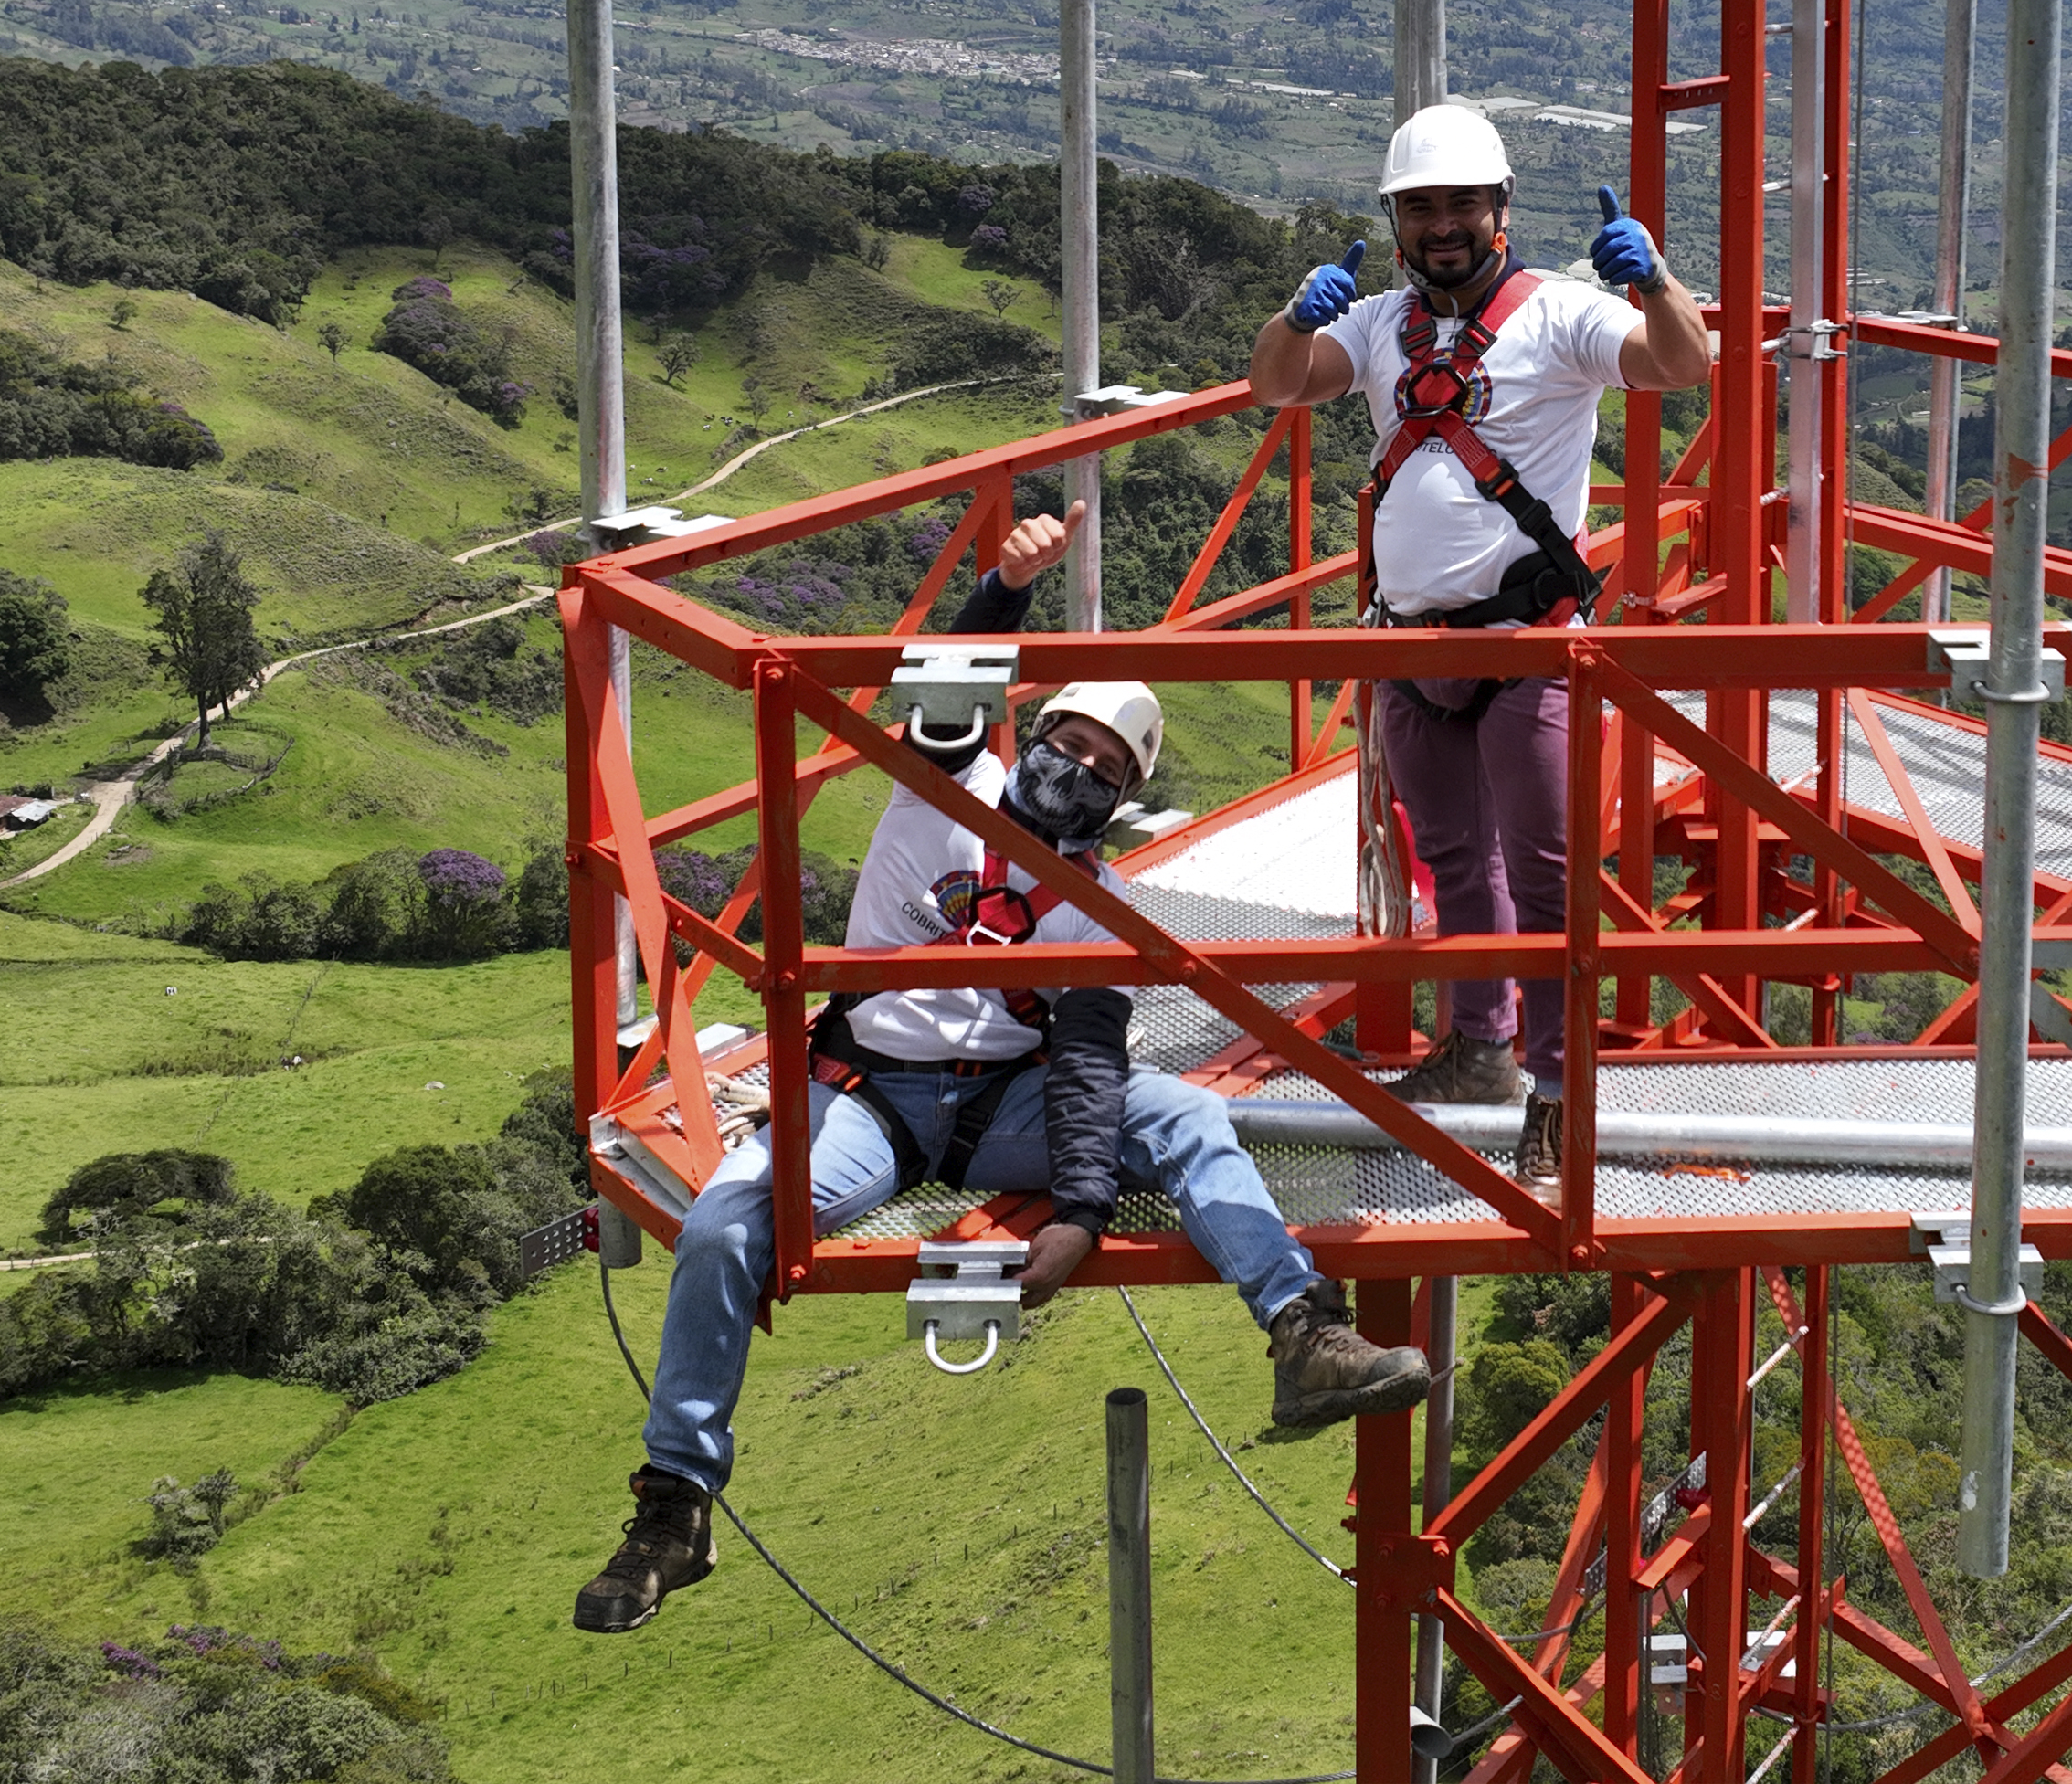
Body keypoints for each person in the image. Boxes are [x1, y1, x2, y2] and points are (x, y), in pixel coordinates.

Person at [574, 503, 1434, 1636]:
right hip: (868, 1096)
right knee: (733, 1219)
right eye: (1066, 742)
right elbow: (941, 692)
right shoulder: (940, 791)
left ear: (1120, 804)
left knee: (1177, 1112)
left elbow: (1086, 1065)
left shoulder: (1102, 908)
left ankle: (1301, 1333)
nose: (1075, 769)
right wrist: (1008, 589)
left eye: (1103, 768)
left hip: (1005, 1106)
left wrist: (1077, 1211)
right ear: (1030, 736)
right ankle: (675, 1504)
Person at [1246, 103, 1716, 1178]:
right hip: (1408, 648)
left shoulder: (1562, 313)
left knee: (1545, 875)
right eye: (1421, 207)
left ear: (1501, 207)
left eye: (1461, 202)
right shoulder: (1371, 325)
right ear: (1396, 221)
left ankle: (1558, 1088)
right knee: (1453, 859)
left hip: (1528, 639)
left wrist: (1655, 282)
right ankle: (1479, 1050)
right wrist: (1291, 316)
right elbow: (1276, 383)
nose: (1442, 223)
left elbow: (1681, 365)